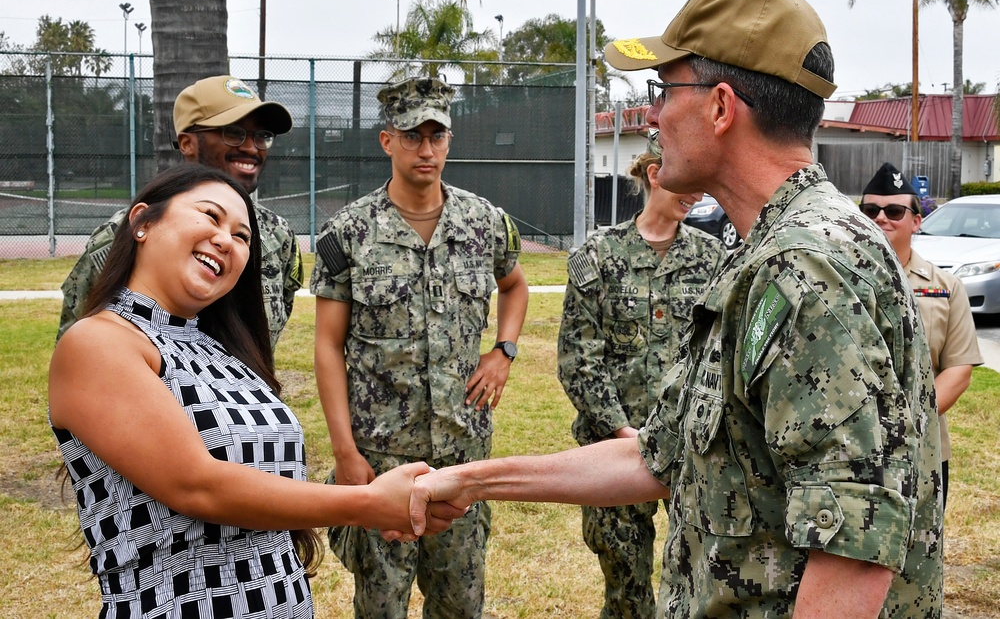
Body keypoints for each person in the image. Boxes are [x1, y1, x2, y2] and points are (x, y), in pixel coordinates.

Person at [408, 0, 942, 618]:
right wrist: (468, 480)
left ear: (720, 107)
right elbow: (658, 454)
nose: (654, 115)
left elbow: (852, 547)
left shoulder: (806, 265)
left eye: (665, 90)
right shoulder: (766, 253)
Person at [49, 164, 458, 618]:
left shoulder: (220, 349)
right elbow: (198, 486)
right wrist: (367, 504)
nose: (227, 240)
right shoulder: (97, 342)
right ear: (143, 222)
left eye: (242, 236)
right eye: (210, 216)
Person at [310, 76, 529, 618]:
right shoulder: (350, 233)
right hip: (381, 457)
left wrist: (503, 350)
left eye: (437, 134)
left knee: (460, 604)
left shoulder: (484, 224)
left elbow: (515, 285)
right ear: (387, 141)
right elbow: (326, 346)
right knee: (381, 606)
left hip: (461, 456)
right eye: (412, 135)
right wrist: (345, 455)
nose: (426, 149)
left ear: (450, 140)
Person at [557, 135, 724, 618]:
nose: (695, 196)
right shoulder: (600, 255)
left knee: (699, 575)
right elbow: (577, 358)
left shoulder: (712, 258)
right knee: (626, 582)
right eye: (686, 185)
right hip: (615, 449)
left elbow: (716, 353)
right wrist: (622, 429)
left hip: (691, 448)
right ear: (655, 175)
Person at [58, 75, 303, 348]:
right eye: (233, 133)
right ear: (187, 143)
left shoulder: (277, 234)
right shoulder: (125, 232)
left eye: (262, 136)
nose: (250, 148)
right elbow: (79, 343)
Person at [861, 161, 981, 508]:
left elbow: (959, 369)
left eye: (894, 211)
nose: (881, 218)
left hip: (922, 446)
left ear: (916, 221)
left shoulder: (945, 287)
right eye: (871, 210)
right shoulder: (835, 279)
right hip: (845, 448)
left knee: (918, 552)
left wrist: (906, 423)